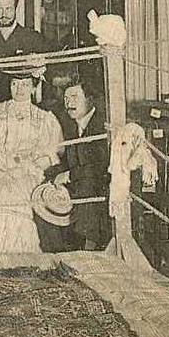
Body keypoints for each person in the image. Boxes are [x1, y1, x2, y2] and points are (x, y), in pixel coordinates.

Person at [0, 69, 64, 255]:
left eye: (25, 84)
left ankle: (19, 256)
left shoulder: (45, 118)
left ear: (33, 86)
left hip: (26, 172)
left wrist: (28, 165)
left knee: (18, 196)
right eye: (15, 83)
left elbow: (51, 155)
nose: (19, 89)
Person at [53, 80, 110, 250]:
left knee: (86, 189)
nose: (69, 103)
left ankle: (88, 248)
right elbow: (66, 161)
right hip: (80, 186)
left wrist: (70, 176)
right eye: (66, 98)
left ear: (89, 100)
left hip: (100, 188)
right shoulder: (71, 126)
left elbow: (100, 166)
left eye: (74, 97)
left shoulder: (101, 126)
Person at [0, 0, 55, 101]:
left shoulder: (31, 37)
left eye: (8, 9)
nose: (4, 14)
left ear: (16, 9)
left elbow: (47, 71)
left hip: (21, 101)